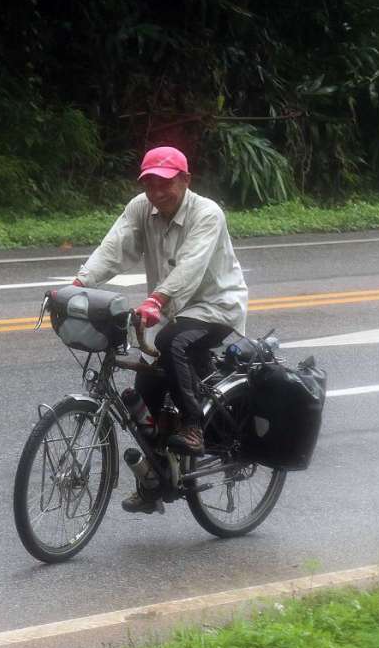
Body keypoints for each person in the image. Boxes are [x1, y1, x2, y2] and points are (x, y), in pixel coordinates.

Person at [73, 146, 249, 513]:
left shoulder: (207, 214)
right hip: (170, 309)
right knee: (145, 392)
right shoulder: (142, 208)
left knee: (172, 343)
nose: (157, 192)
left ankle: (194, 427)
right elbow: (114, 248)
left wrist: (157, 300)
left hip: (216, 307)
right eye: (150, 183)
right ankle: (153, 482)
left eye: (165, 183)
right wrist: (79, 283)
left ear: (186, 180)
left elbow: (191, 267)